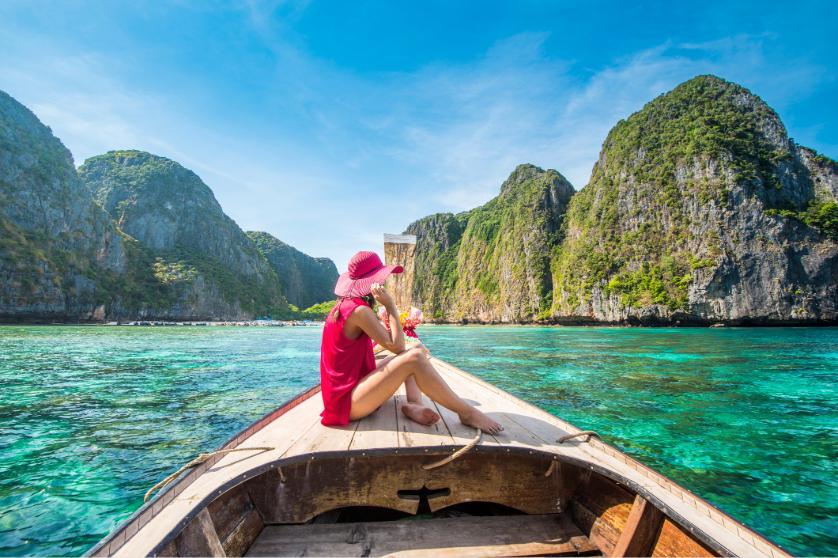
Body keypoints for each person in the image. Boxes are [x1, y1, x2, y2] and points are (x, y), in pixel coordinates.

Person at [319, 250, 503, 434]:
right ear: (372, 280)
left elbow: (394, 344)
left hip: (353, 391)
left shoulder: (348, 306)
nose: (383, 281)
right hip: (347, 404)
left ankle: (414, 404)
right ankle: (466, 412)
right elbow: (397, 346)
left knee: (415, 348)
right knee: (413, 356)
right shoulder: (358, 311)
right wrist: (390, 306)